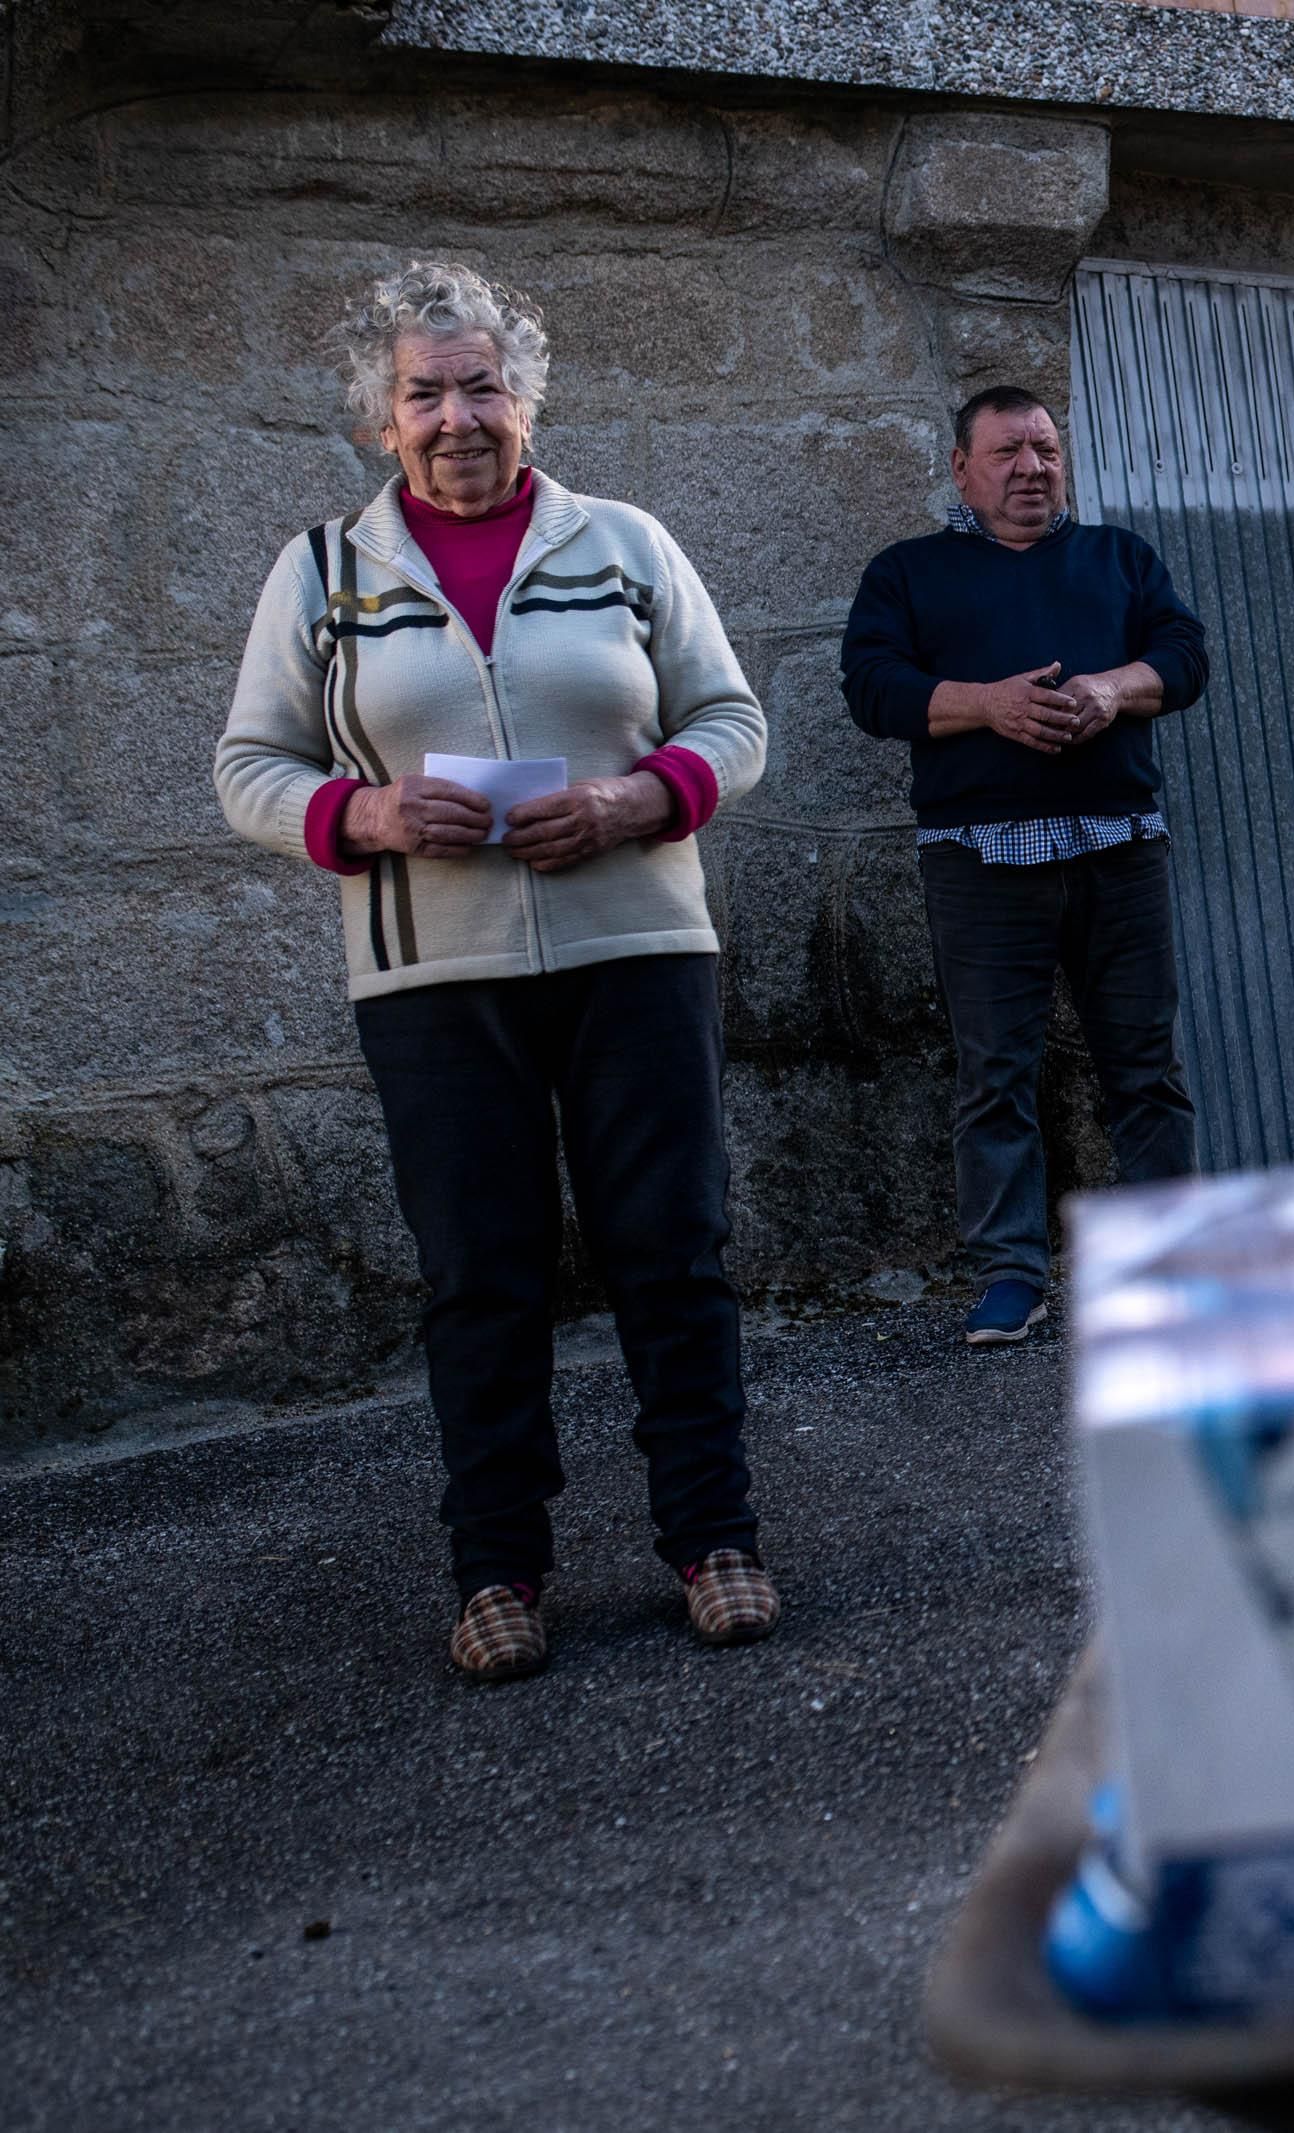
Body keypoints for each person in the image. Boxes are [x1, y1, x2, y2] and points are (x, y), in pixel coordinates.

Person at [213, 260, 777, 1684]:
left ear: (526, 397)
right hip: (433, 976)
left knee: (674, 1252)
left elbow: (732, 717)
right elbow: (249, 766)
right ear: (378, 420)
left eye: (482, 386)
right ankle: (498, 1570)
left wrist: (638, 800)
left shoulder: (626, 543)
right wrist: (367, 814)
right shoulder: (323, 574)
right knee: (480, 1273)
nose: (458, 417)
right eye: (425, 393)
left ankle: (715, 1541)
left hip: (636, 948)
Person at [841, 388, 1211, 1346]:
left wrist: (1112, 687)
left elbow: (1184, 653)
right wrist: (986, 704)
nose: (1031, 469)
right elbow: (873, 689)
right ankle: (1013, 1273)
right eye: (1006, 452)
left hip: (1119, 847)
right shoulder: (909, 572)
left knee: (1144, 1068)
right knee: (994, 1074)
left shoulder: (1119, 556)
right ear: (961, 469)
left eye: (1045, 449)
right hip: (979, 860)